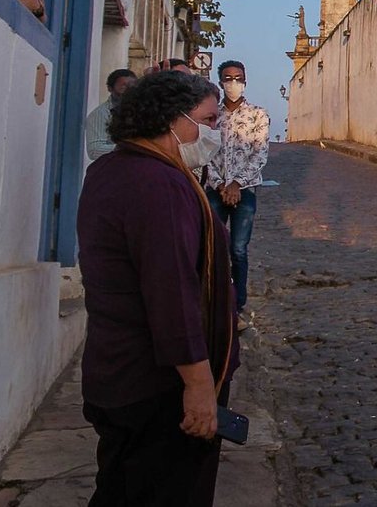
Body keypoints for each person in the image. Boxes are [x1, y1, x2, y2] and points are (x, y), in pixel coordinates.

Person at [77, 70, 238, 506]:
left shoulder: (112, 170)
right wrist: (199, 386)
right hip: (158, 390)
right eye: (206, 120)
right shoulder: (159, 184)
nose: (212, 131)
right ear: (171, 120)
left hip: (119, 373)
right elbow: (171, 295)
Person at [204, 60, 269, 329]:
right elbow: (205, 155)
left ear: (245, 81)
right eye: (228, 78)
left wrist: (236, 184)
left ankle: (237, 304)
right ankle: (210, 300)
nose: (233, 83)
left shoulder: (258, 115)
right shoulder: (210, 117)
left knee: (238, 250)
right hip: (215, 190)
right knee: (212, 248)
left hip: (245, 192)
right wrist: (220, 184)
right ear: (220, 82)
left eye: (238, 78)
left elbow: (260, 154)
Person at [85, 69, 138, 159]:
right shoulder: (100, 114)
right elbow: (94, 150)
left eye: (132, 87)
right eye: (123, 87)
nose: (128, 92)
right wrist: (129, 147)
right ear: (110, 88)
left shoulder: (142, 110)